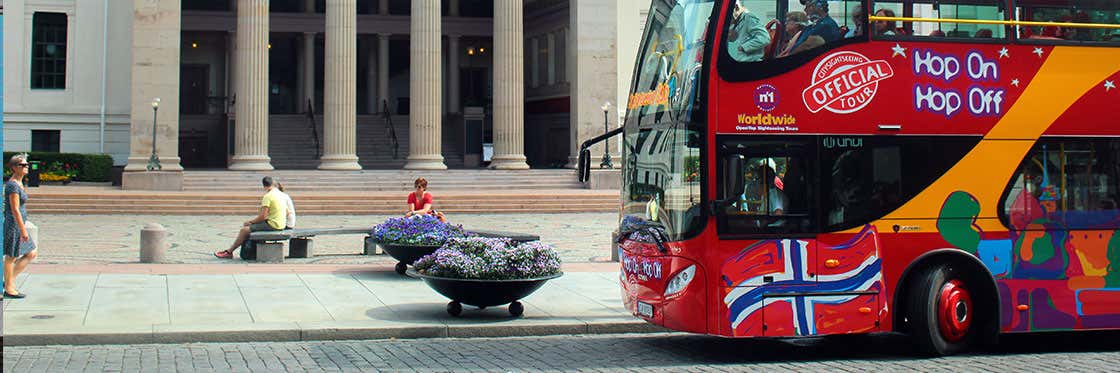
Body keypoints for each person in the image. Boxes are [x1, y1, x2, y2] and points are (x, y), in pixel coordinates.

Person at [214, 176, 287, 259]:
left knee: (244, 230)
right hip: (281, 224)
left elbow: (263, 216)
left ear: (264, 186)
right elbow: (286, 212)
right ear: (273, 184)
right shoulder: (281, 194)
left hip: (273, 225)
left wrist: (251, 222)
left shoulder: (268, 196)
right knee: (250, 227)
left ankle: (229, 252)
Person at [4, 154, 37, 299]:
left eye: (27, 164)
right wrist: (23, 230)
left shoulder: (19, 183)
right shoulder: (12, 185)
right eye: (22, 165)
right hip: (14, 224)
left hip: (19, 224)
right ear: (13, 168)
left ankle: (8, 282)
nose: (26, 167)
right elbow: (14, 209)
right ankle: (9, 288)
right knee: (11, 256)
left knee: (31, 253)